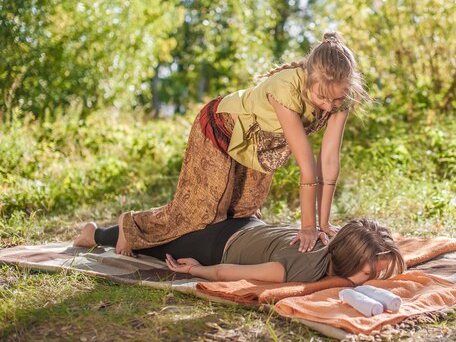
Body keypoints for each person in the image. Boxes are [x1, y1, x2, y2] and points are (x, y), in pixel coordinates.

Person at [114, 31, 368, 256]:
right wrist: (308, 227)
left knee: (240, 215)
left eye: (336, 100)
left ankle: (170, 243)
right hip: (219, 129)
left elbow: (329, 160)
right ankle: (130, 224)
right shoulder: (287, 87)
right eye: (322, 98)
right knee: (201, 214)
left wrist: (324, 225)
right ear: (308, 78)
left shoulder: (341, 98)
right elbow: (308, 166)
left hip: (260, 147)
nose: (329, 106)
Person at [73, 218, 406, 284]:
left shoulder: (328, 239)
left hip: (245, 224)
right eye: (369, 272)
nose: (373, 278)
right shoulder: (301, 269)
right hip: (216, 246)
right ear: (346, 260)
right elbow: (228, 273)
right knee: (160, 241)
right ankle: (97, 232)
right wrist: (193, 271)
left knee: (169, 229)